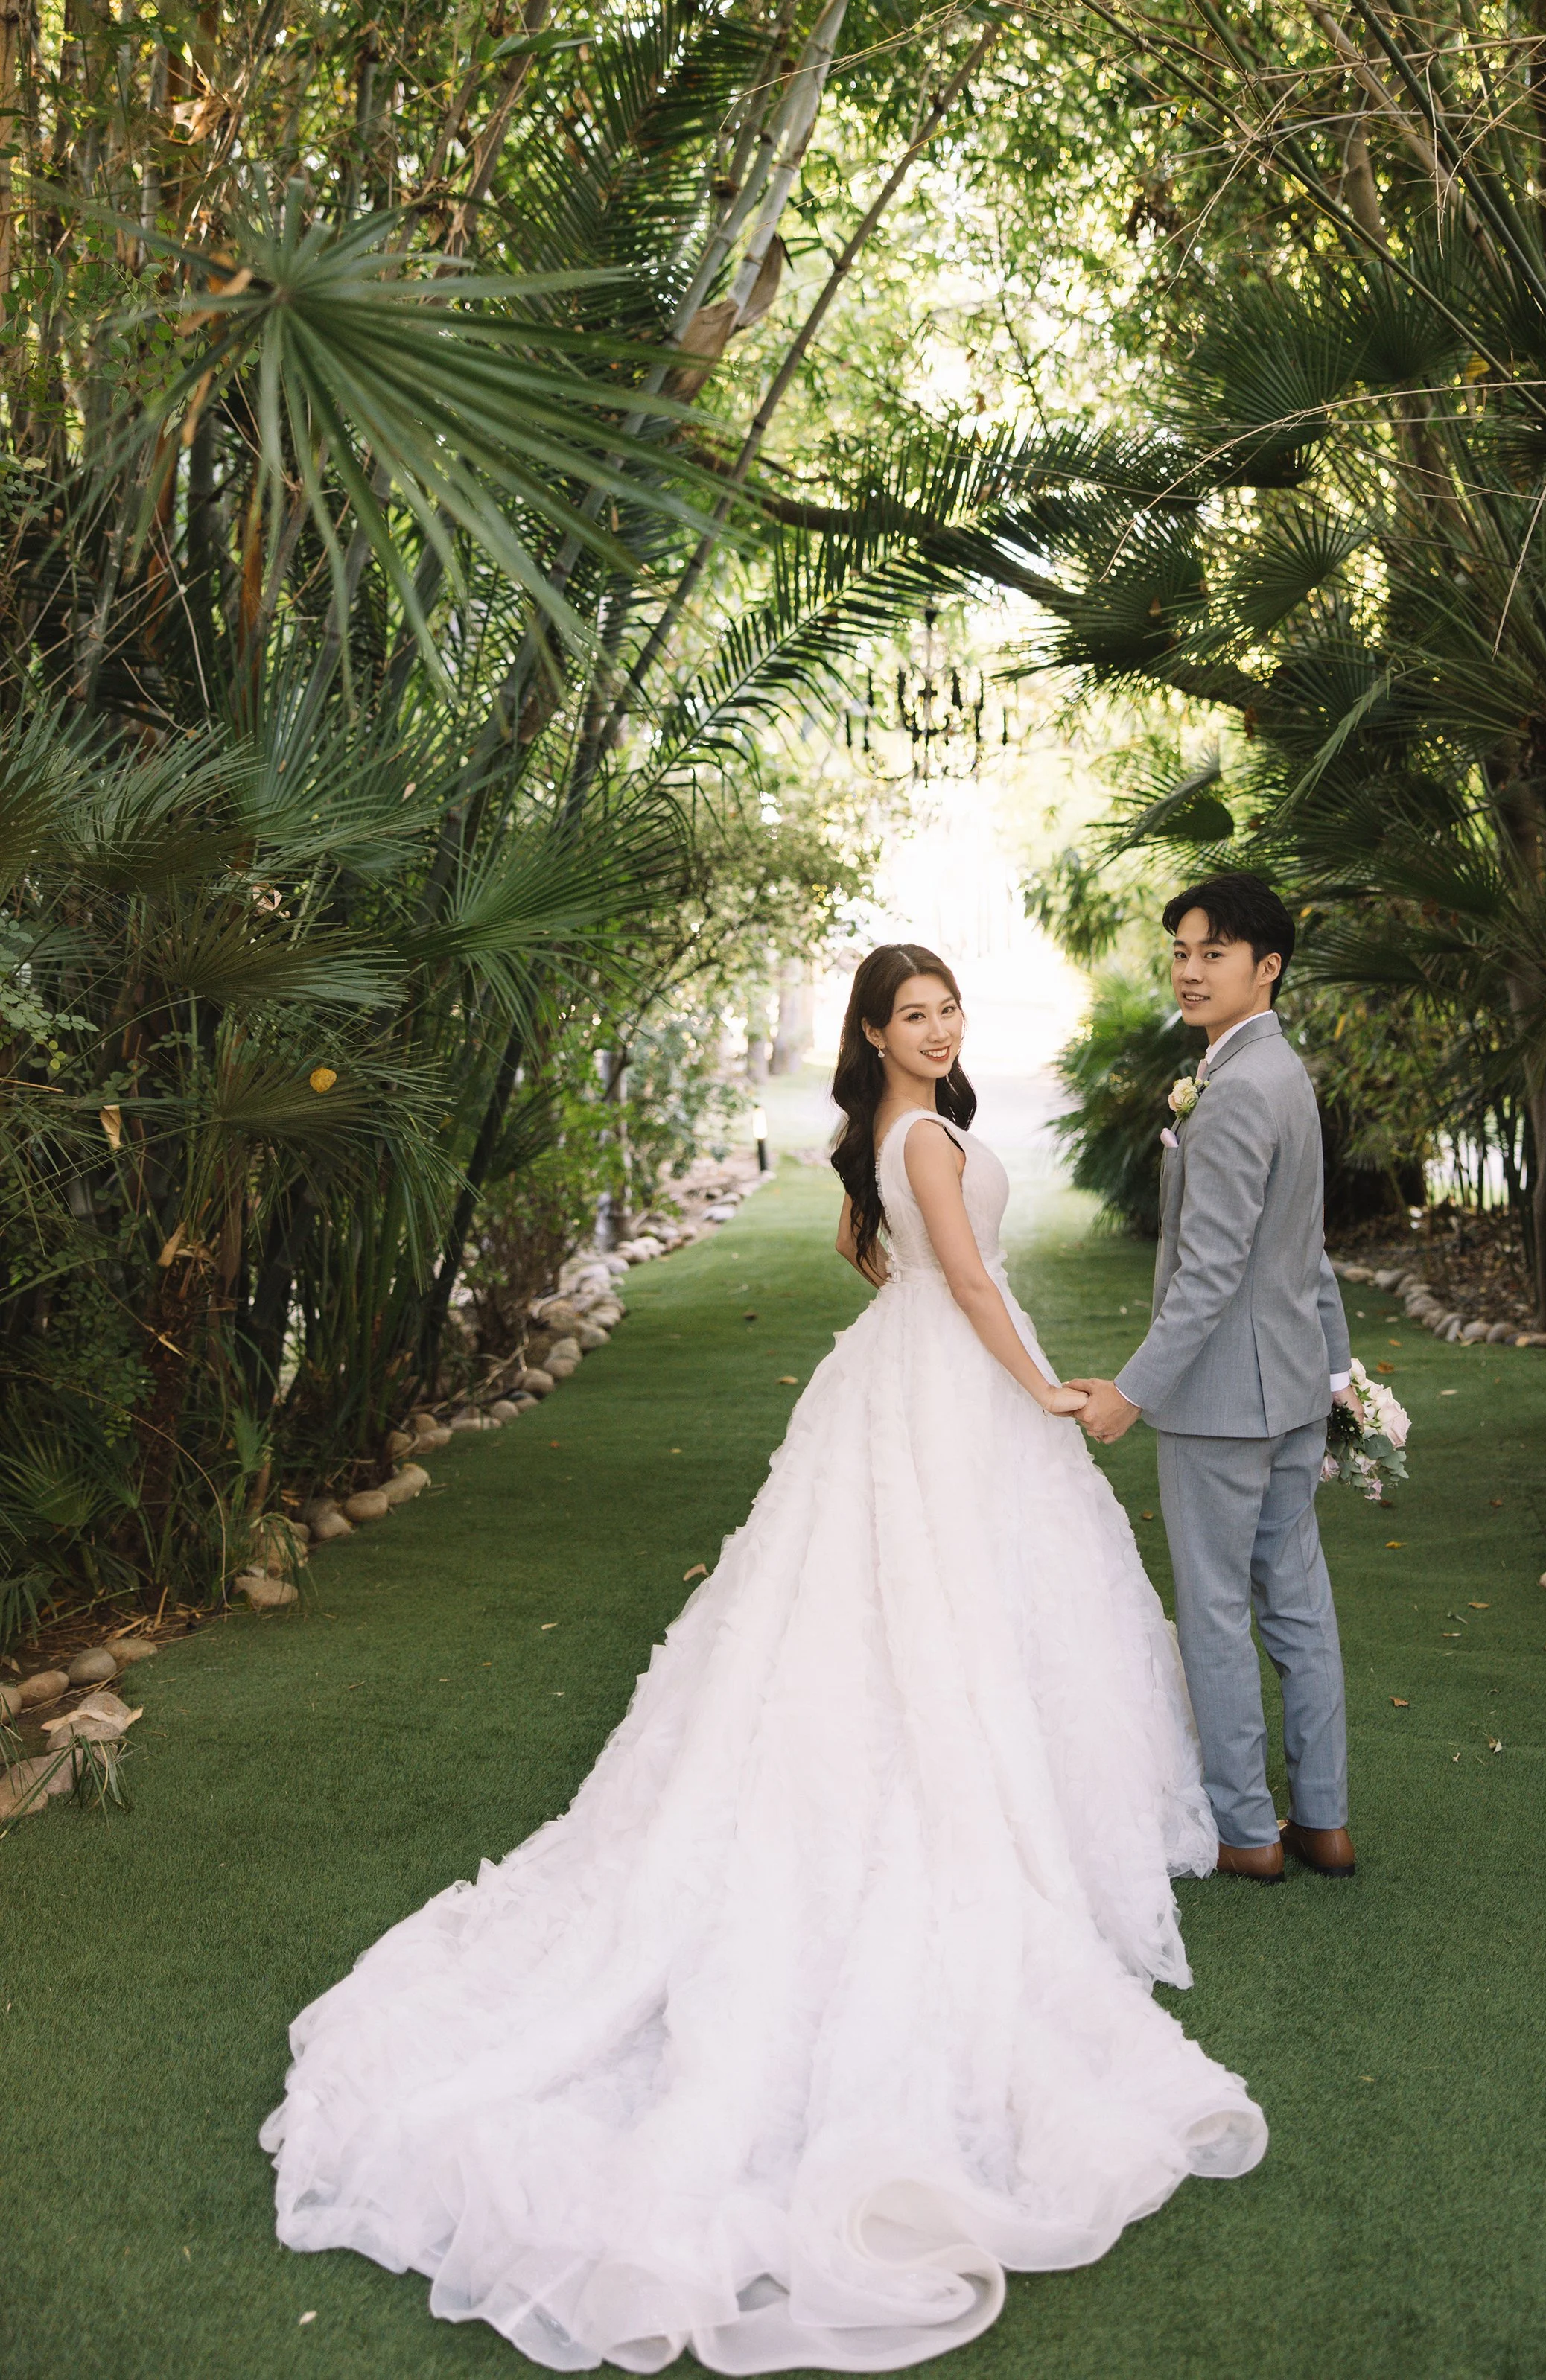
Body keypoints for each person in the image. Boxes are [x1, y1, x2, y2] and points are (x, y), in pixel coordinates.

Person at [262, 942, 1265, 2375]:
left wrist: (933, 1304)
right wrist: (1041, 1383)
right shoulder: (916, 1135)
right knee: (924, 1607)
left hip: (905, 1374)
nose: (939, 1028)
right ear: (873, 1031)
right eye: (915, 1015)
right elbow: (970, 1281)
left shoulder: (894, 1134)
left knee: (956, 1597)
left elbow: (874, 1259)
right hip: (953, 1374)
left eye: (949, 1010)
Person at [1066, 875, 1357, 1886]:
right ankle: (1323, 1821)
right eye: (1182, 950)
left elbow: (1211, 1274)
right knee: (1299, 1606)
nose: (1190, 969)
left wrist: (1131, 1392)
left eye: (1213, 953)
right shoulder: (1285, 1074)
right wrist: (1335, 1371)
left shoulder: (1235, 1091)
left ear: (1267, 967)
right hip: (1290, 1392)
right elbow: (1307, 1254)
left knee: (1220, 1611)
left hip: (1223, 1407)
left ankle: (1246, 1833)